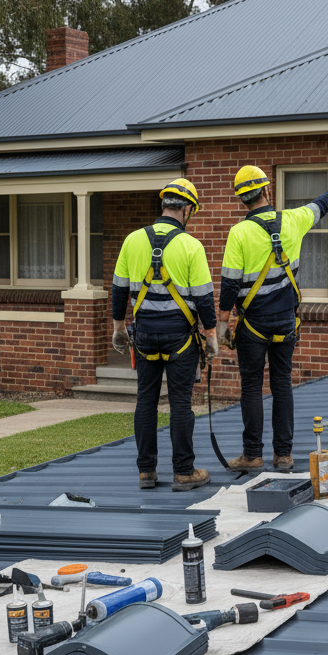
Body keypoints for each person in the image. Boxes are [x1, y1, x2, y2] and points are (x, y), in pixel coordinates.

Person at [217, 165, 328, 473]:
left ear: (243, 200)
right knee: (281, 384)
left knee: (252, 386)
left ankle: (252, 455)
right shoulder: (293, 220)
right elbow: (322, 203)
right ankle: (284, 455)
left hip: (253, 324)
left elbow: (229, 284)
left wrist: (223, 324)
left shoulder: (239, 233)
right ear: (267, 191)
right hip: (284, 322)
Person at [112, 178, 219, 491]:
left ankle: (147, 471)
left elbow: (118, 289)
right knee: (181, 404)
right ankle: (184, 472)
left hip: (144, 333)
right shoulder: (190, 246)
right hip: (179, 336)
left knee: (145, 401)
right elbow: (203, 296)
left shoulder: (132, 240)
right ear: (186, 209)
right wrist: (210, 334)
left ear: (164, 205)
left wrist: (119, 328)